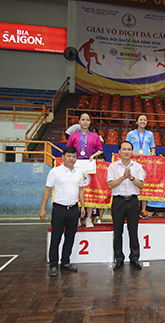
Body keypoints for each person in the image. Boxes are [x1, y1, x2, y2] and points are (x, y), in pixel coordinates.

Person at [39, 146, 85, 277]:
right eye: (69, 156)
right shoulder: (55, 171)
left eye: (74, 156)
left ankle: (65, 262)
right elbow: (47, 190)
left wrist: (82, 205)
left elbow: (81, 189)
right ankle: (54, 265)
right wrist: (42, 208)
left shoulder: (78, 172)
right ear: (63, 157)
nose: (71, 159)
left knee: (70, 238)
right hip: (59, 209)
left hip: (74, 209)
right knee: (56, 238)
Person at [107, 141, 146, 270]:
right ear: (119, 151)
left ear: (132, 152)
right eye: (124, 149)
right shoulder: (113, 166)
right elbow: (110, 185)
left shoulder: (138, 166)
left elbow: (141, 185)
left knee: (133, 231)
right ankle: (118, 259)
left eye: (129, 149)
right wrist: (123, 177)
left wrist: (131, 178)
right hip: (118, 201)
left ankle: (135, 258)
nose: (127, 151)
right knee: (117, 231)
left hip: (133, 202)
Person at [67, 112, 103, 228]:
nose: (85, 122)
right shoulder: (73, 136)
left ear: (90, 122)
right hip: (76, 165)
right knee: (76, 192)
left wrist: (93, 156)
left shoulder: (94, 136)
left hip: (89, 165)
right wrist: (73, 158)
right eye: (83, 119)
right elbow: (68, 150)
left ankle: (88, 218)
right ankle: (77, 218)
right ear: (79, 121)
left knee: (89, 191)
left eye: (87, 120)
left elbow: (100, 150)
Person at [126, 114, 156, 219]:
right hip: (133, 161)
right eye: (140, 120)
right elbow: (125, 146)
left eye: (145, 120)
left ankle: (143, 209)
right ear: (137, 122)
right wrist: (132, 152)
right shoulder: (131, 134)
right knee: (132, 182)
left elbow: (152, 147)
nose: (143, 121)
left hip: (146, 163)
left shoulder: (150, 134)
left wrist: (152, 152)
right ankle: (131, 209)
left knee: (144, 184)